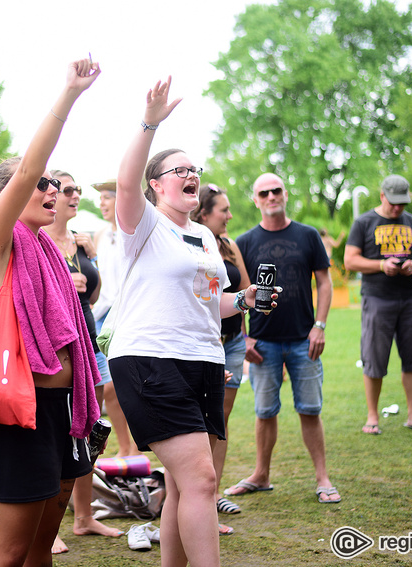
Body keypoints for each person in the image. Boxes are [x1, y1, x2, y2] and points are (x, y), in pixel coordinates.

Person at [109, 77, 263, 567]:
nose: (191, 174)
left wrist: (245, 301)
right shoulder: (143, 223)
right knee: (201, 479)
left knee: (181, 483)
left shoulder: (203, 235)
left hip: (202, 359)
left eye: (194, 168)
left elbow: (208, 303)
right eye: (179, 170)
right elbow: (127, 181)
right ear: (158, 185)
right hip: (150, 357)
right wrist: (150, 123)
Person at [0, 57, 100, 567]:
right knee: (11, 549)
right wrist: (68, 94)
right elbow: (27, 170)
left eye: (56, 186)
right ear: (12, 196)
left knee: (41, 547)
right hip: (21, 414)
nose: (53, 192)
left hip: (65, 409)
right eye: (43, 185)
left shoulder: (48, 250)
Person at [231, 172, 340, 505]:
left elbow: (324, 283)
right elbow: (238, 293)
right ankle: (261, 475)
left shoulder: (307, 235)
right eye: (263, 193)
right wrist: (244, 338)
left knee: (310, 409)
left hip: (303, 340)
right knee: (265, 412)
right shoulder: (244, 242)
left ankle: (323, 478)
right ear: (255, 200)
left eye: (276, 190)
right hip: (262, 344)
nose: (270, 197)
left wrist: (319, 325)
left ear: (285, 193)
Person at [43, 170, 123, 552]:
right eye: (67, 190)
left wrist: (87, 259)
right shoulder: (40, 242)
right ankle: (48, 526)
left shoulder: (79, 242)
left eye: (76, 190)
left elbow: (93, 297)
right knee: (59, 436)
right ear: (50, 197)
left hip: (91, 345)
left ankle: (84, 516)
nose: (75, 196)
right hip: (61, 351)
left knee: (92, 432)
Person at [344, 174, 412, 435]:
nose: (397, 208)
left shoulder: (411, 221)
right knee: (374, 358)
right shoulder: (364, 222)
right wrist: (381, 265)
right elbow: (350, 260)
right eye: (393, 203)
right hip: (377, 298)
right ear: (382, 195)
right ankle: (372, 417)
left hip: (410, 297)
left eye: (402, 204)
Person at [190, 183, 250, 521]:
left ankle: (213, 494)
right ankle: (196, 492)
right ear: (204, 214)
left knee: (221, 422)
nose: (229, 216)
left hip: (235, 342)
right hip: (204, 344)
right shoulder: (192, 243)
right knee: (200, 422)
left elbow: (243, 291)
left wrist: (249, 338)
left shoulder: (229, 245)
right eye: (223, 210)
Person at [90, 178, 140, 459]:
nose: (102, 203)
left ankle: (129, 446)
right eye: (100, 199)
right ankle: (126, 447)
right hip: (101, 317)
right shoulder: (99, 235)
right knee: (108, 389)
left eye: (107, 197)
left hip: (126, 314)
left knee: (114, 387)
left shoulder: (131, 232)